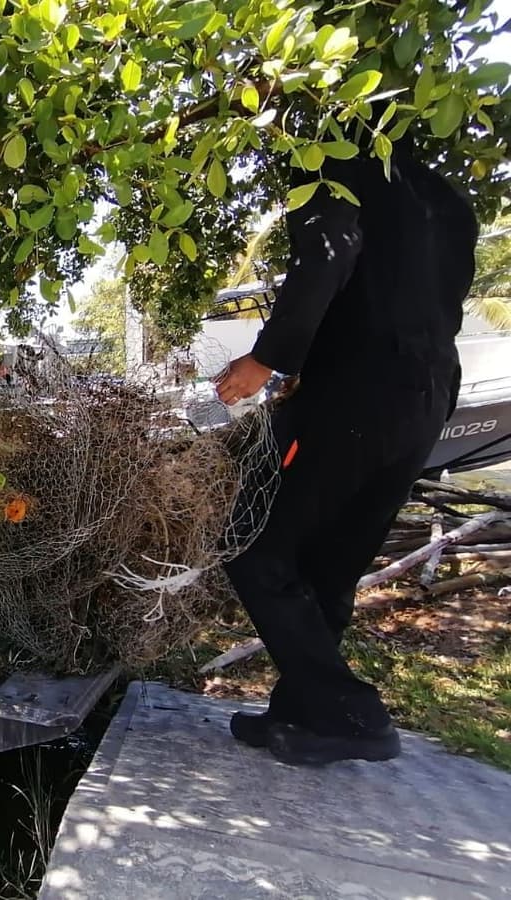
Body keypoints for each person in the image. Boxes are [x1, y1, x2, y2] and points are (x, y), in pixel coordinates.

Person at [214, 148, 478, 765]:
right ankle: (307, 713)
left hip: (357, 386)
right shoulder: (447, 198)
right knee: (333, 560)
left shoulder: (336, 165)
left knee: (251, 541)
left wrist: (270, 357)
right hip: (430, 390)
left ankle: (347, 710)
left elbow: (328, 253)